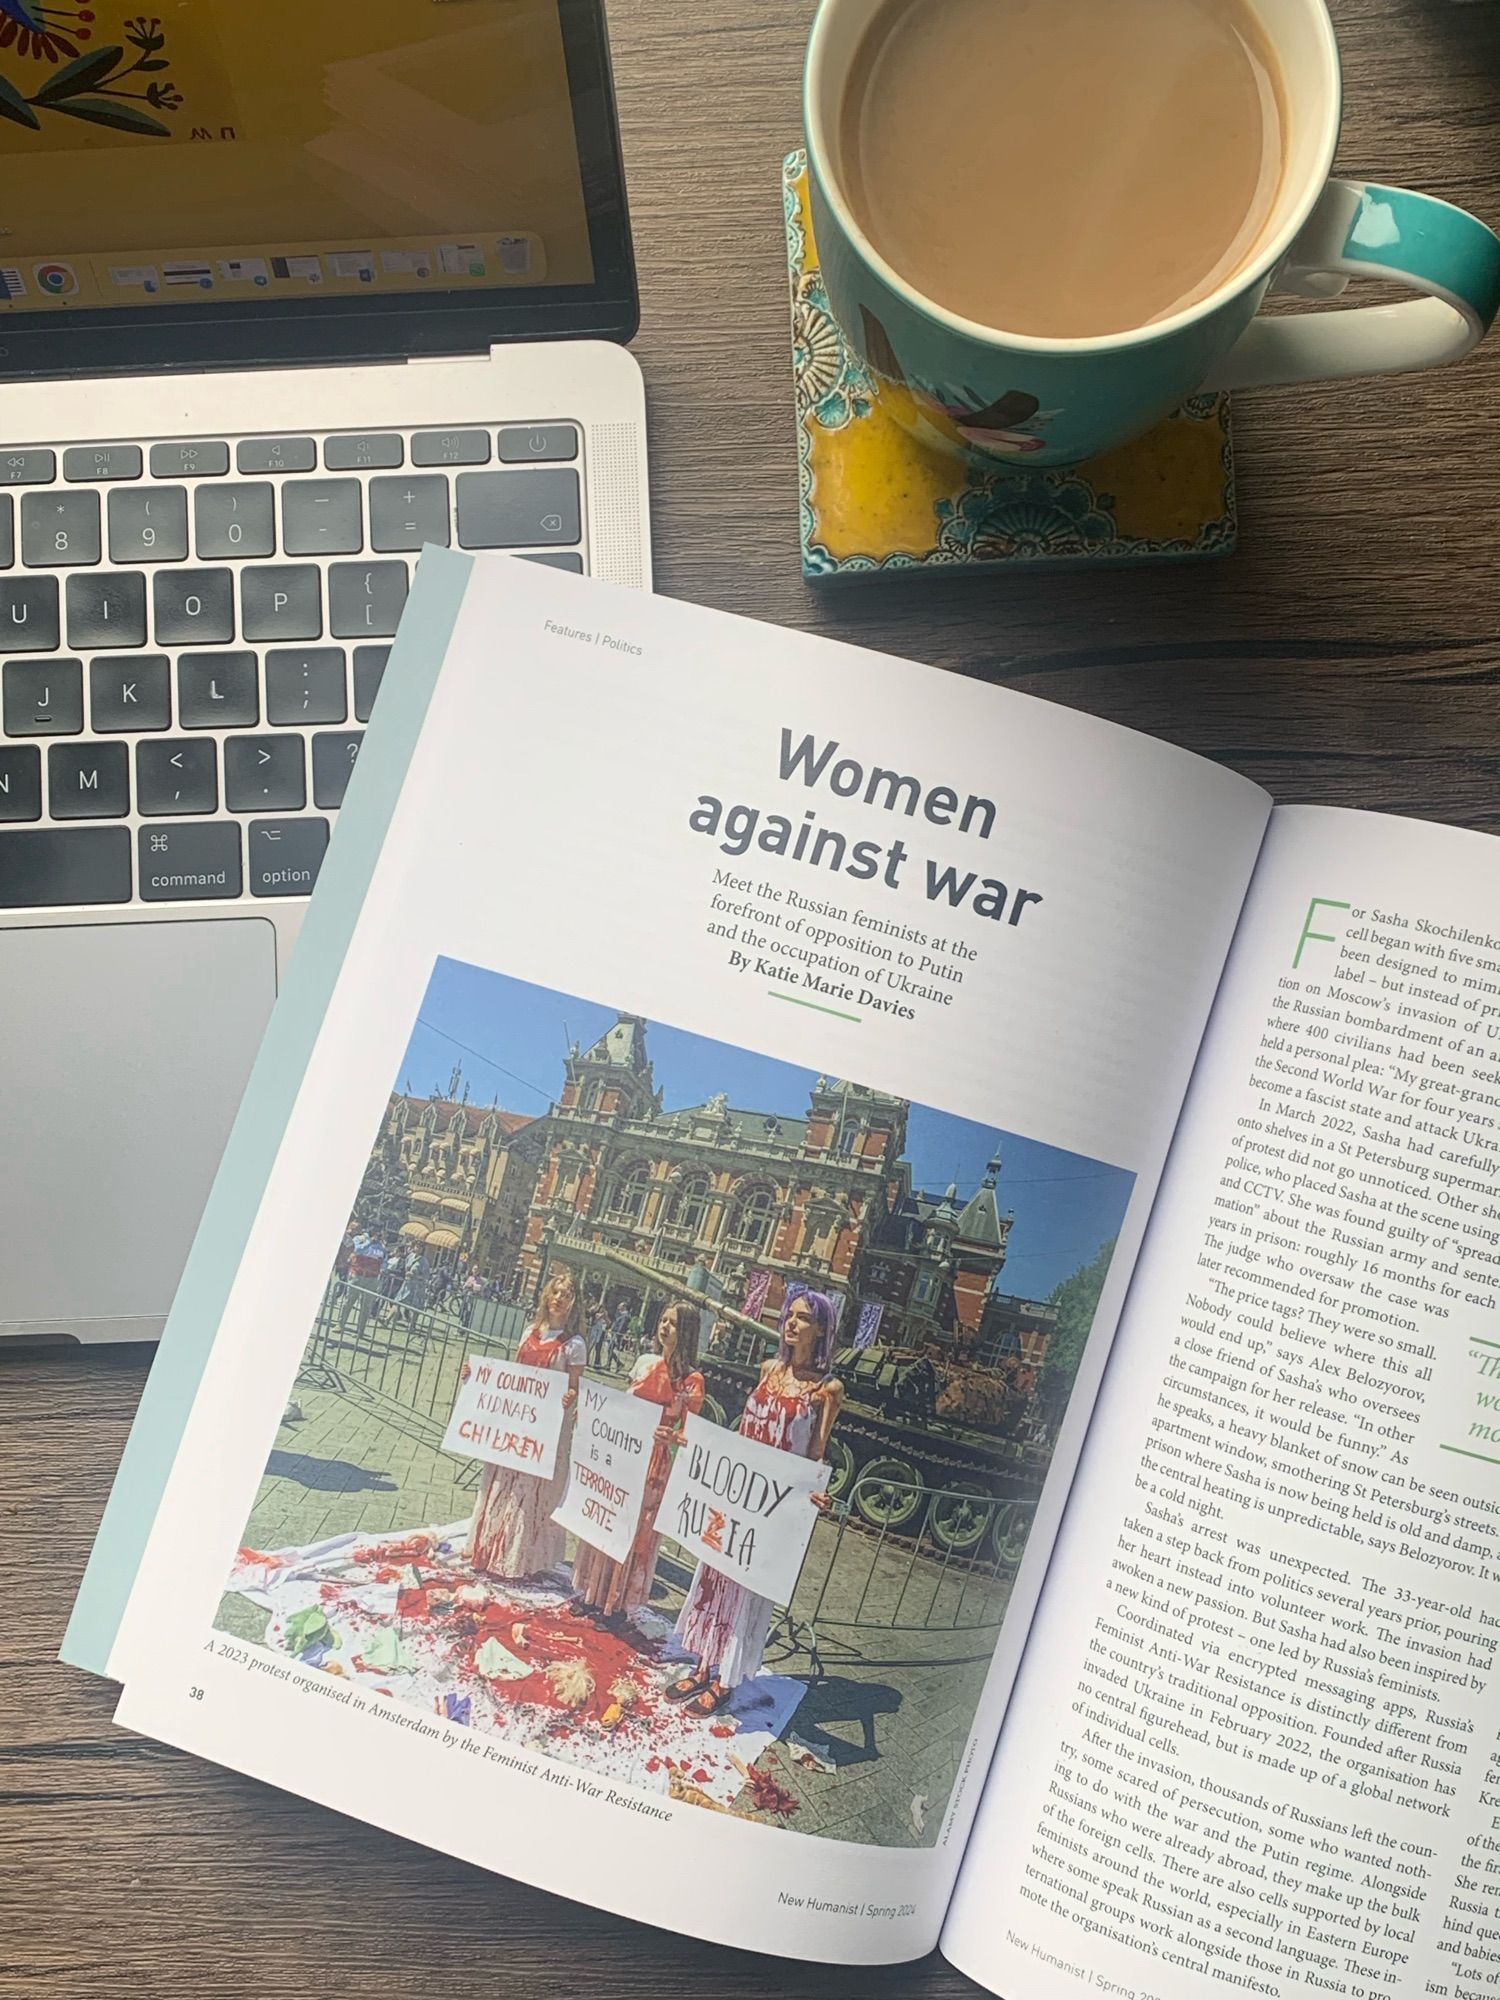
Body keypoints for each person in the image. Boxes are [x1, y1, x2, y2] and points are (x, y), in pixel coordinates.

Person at [666, 1289, 843, 1717]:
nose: (793, 1323)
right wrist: (701, 1449)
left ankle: (725, 1678)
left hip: (769, 1509)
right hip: (736, 1497)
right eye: (790, 1315)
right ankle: (703, 1662)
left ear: (820, 1330)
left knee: (745, 1589)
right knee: (714, 1579)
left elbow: (816, 1454)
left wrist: (816, 1492)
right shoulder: (768, 1369)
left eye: (804, 1318)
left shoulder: (827, 1389)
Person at [571, 1300, 706, 1636]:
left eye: (673, 1323)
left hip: (654, 1465)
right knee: (607, 1521)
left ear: (687, 1331)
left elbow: (691, 1434)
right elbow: (624, 1405)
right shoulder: (646, 1363)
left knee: (634, 1534)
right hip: (623, 1457)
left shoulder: (692, 1380)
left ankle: (616, 1603)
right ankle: (591, 1593)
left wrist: (671, 1435)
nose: (665, 1328)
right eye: (663, 1320)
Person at [467, 1264, 587, 1581]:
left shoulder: (574, 1345)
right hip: (517, 1422)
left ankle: (520, 1557)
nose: (560, 1298)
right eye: (557, 1292)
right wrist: (478, 1377)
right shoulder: (528, 1331)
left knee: (529, 1491)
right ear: (548, 1295)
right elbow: (512, 1375)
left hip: (546, 1429)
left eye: (567, 1295)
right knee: (503, 1482)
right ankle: (490, 1546)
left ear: (575, 1303)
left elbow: (575, 1388)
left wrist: (569, 1398)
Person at [587, 1302, 612, 1369]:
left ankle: (595, 1362)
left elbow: (609, 1323)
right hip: (594, 1331)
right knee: (589, 1346)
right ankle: (586, 1360)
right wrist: (600, 1316)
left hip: (600, 1332)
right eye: (601, 1308)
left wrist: (606, 1317)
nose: (602, 1310)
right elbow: (594, 1321)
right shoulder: (596, 1314)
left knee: (595, 1348)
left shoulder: (605, 1316)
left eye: (603, 1309)